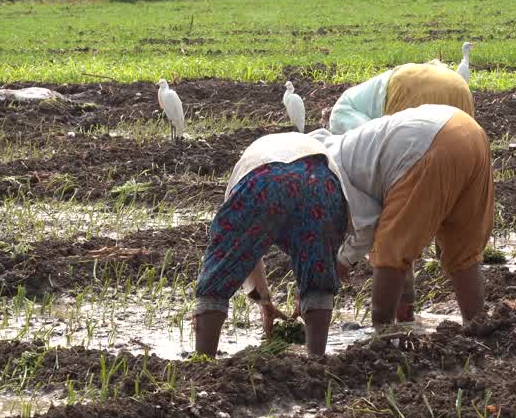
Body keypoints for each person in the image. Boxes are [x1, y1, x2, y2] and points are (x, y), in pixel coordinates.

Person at [316, 103, 494, 329]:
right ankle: (477, 325)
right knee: (463, 249)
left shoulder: (330, 167)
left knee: (389, 248)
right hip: (469, 132)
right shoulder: (347, 147)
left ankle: (382, 334)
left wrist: (340, 263)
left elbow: (368, 226)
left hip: (430, 145)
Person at [192, 132, 350, 358]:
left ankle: (203, 363)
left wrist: (262, 300)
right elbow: (330, 241)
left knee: (218, 275)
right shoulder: (322, 156)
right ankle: (317, 359)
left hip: (261, 180)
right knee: (319, 277)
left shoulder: (253, 158)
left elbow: (244, 252)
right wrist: (297, 298)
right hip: (319, 183)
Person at [328, 61, 474, 135]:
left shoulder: (339, 114)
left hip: (407, 88)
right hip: (458, 85)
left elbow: (368, 137)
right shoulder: (354, 97)